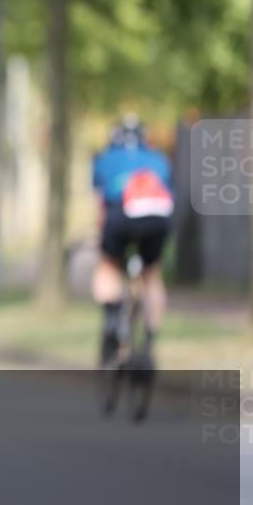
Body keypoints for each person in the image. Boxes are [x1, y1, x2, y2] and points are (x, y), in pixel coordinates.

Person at [91, 115, 173, 368]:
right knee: (152, 274)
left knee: (108, 266)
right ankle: (149, 339)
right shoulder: (159, 159)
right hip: (157, 218)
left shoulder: (104, 159)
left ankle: (113, 319)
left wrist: (99, 235)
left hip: (120, 214)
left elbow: (100, 203)